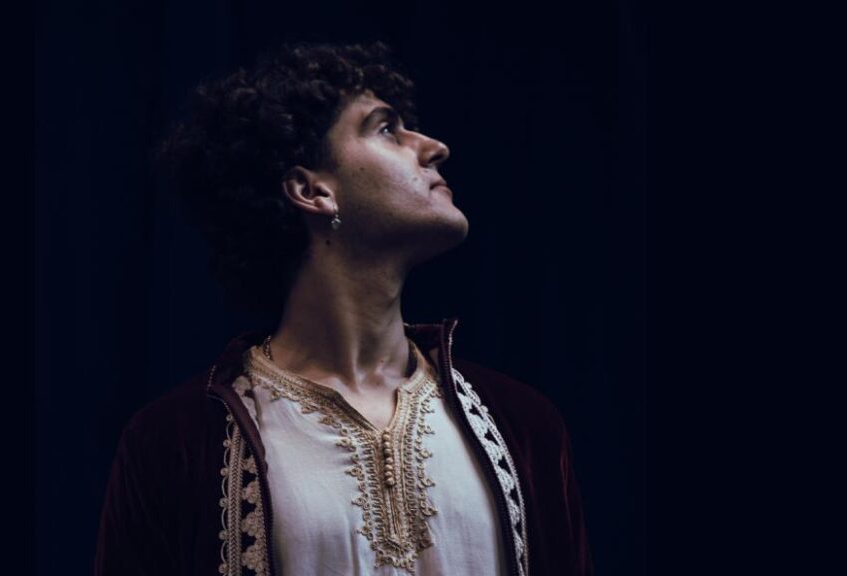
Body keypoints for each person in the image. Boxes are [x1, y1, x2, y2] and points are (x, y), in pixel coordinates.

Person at [94, 39, 593, 576]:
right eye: (386, 129)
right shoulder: (176, 442)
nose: (434, 147)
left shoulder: (523, 424)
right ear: (312, 191)